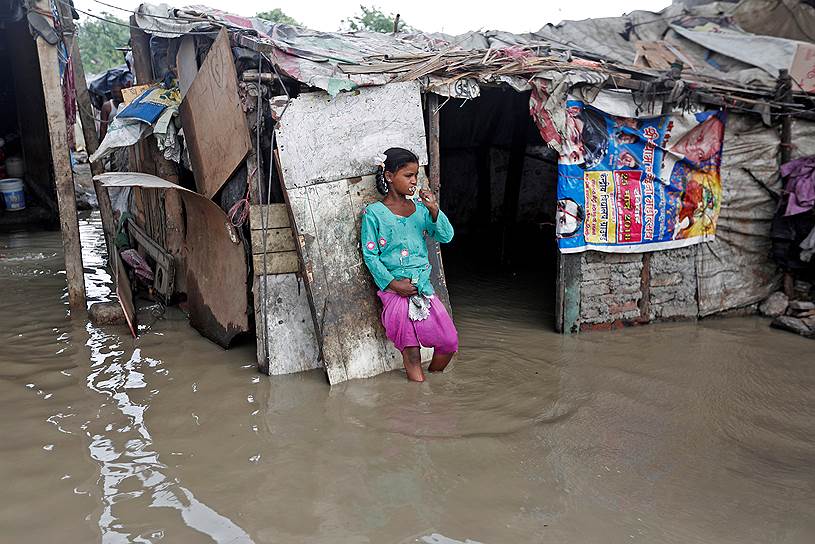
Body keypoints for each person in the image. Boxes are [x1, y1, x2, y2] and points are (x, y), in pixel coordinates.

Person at [360, 147, 458, 382]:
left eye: (415, 175)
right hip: (395, 292)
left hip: (423, 289)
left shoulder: (422, 210)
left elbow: (446, 236)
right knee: (411, 353)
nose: (414, 181)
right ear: (389, 176)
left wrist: (435, 209)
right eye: (408, 175)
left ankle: (434, 387)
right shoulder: (373, 213)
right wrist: (394, 285)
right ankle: (419, 401)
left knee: (448, 343)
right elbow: (370, 256)